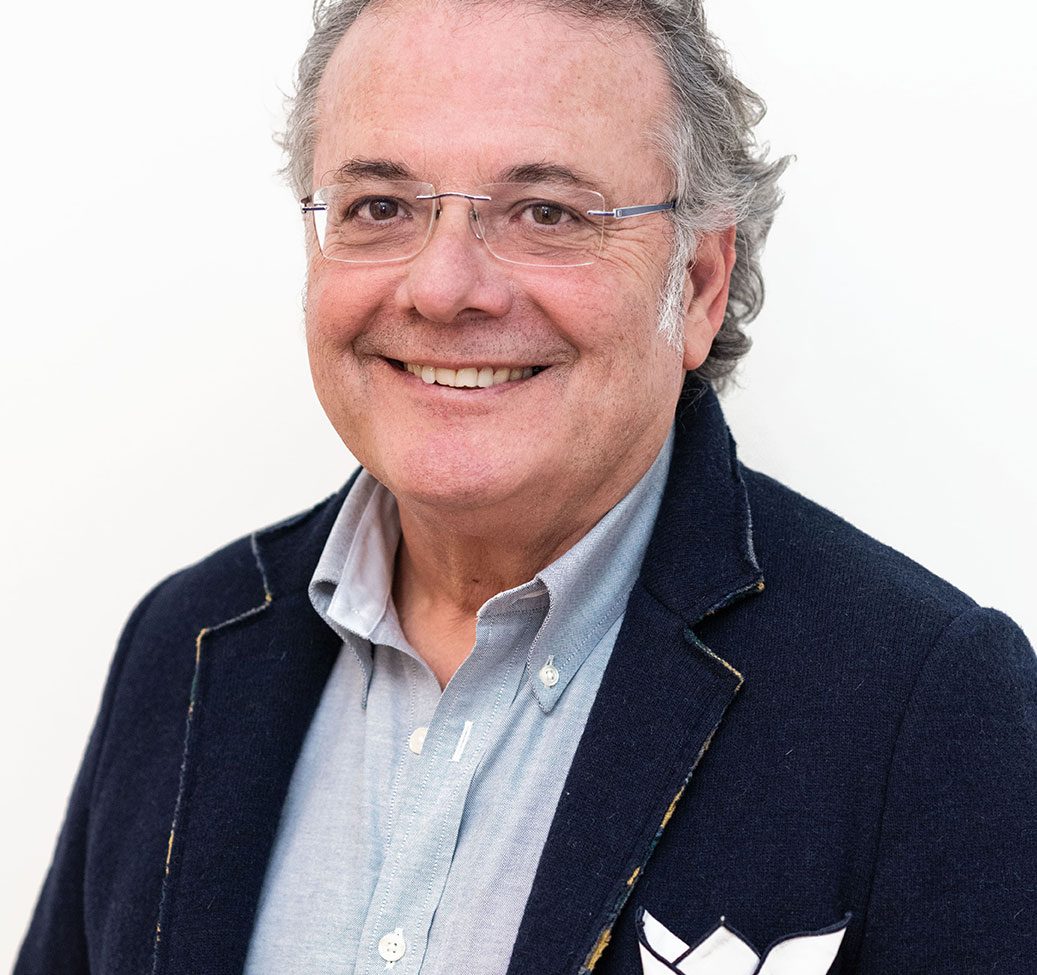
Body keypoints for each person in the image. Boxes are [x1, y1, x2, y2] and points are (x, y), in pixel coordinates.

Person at [15, 0, 1036, 973]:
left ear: (697, 284)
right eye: (379, 207)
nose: (442, 288)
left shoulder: (924, 705)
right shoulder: (185, 644)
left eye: (545, 212)